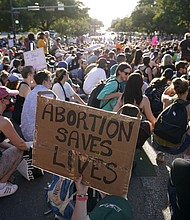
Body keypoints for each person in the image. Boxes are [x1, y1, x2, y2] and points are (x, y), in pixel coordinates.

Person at [0, 86, 30, 197]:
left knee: (14, 150)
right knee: (20, 150)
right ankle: (1, 186)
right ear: (3, 100)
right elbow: (21, 145)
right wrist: (29, 149)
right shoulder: (3, 121)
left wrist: (10, 150)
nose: (12, 101)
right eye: (9, 98)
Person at [153, 77, 190, 160]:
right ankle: (187, 156)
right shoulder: (189, 108)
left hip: (157, 141)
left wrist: (171, 87)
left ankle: (160, 152)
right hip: (175, 146)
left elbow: (164, 93)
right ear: (187, 91)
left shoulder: (167, 100)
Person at [21, 70, 52, 141]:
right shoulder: (47, 93)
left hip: (26, 132)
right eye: (49, 80)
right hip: (36, 134)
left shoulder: (32, 92)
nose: (51, 82)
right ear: (44, 82)